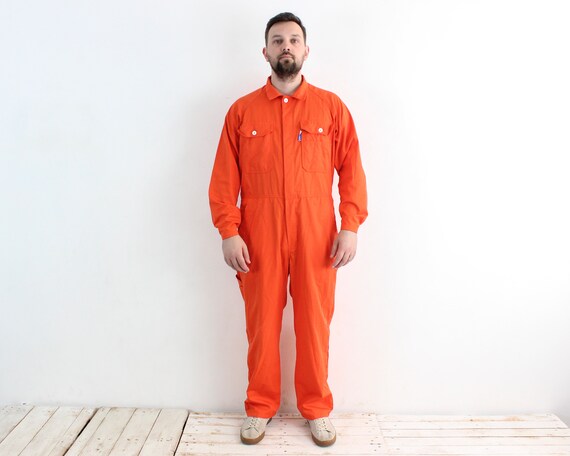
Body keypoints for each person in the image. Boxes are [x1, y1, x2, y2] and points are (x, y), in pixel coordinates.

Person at [208, 12, 368, 447]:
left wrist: (350, 225)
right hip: (258, 234)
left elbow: (352, 170)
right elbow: (224, 180)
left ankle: (316, 409)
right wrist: (229, 231)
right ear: (265, 51)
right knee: (261, 323)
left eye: (294, 40)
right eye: (277, 40)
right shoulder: (242, 112)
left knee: (314, 323)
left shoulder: (331, 108)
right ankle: (260, 407)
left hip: (317, 233)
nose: (286, 46)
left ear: (306, 50)